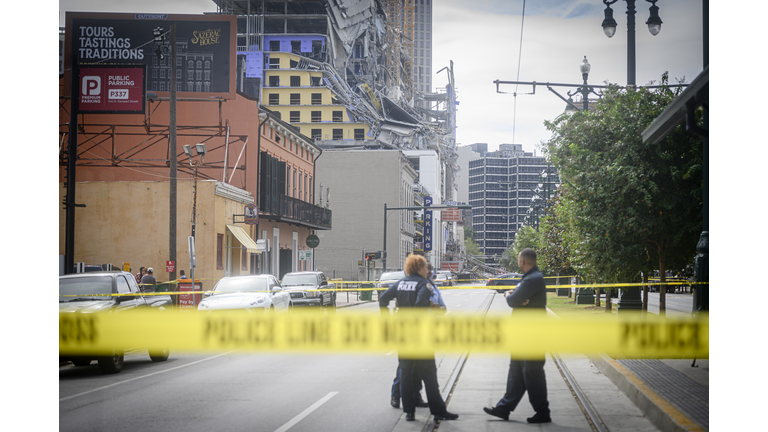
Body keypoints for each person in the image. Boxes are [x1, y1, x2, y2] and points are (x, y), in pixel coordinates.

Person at [379, 254, 459, 422]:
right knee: (429, 375)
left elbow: (383, 299)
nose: (427, 270)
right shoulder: (425, 285)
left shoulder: (400, 283)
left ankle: (409, 412)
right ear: (420, 268)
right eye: (426, 267)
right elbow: (420, 304)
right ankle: (438, 411)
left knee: (406, 374)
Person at [483, 248, 551, 424]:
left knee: (532, 372)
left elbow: (512, 301)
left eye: (519, 260)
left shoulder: (532, 279)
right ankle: (504, 408)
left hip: (532, 335)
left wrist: (511, 295)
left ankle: (543, 412)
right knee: (516, 371)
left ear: (522, 261)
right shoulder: (529, 278)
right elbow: (514, 298)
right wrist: (511, 294)